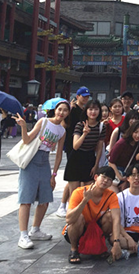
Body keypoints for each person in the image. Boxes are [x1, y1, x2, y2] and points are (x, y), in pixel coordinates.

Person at [14, 100, 69, 250]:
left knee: (45, 198)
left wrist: (54, 174)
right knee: (26, 199)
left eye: (65, 110)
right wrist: (23, 127)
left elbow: (59, 154)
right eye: (59, 109)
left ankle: (35, 229)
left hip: (45, 162)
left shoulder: (62, 131)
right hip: (31, 160)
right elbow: (26, 140)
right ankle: (23, 235)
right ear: (55, 110)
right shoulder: (43, 121)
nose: (61, 113)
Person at [62, 166, 123, 264]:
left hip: (95, 229)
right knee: (78, 217)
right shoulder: (79, 192)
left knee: (109, 217)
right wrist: (85, 200)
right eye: (103, 177)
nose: (105, 181)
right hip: (77, 229)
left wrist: (116, 243)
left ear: (111, 183)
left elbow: (116, 219)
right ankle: (74, 249)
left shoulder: (111, 195)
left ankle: (98, 245)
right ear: (96, 177)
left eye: (109, 179)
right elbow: (69, 219)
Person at [56, 86, 91, 217]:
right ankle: (63, 204)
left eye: (87, 96)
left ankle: (70, 204)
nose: (85, 98)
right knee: (72, 177)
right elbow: (64, 125)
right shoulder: (72, 109)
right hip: (72, 145)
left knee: (76, 177)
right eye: (83, 96)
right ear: (77, 96)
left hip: (82, 145)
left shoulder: (85, 110)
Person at [64, 100, 106, 199]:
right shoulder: (80, 125)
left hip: (89, 158)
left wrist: (96, 165)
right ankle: (70, 208)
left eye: (96, 109)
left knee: (89, 192)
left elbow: (99, 147)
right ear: (86, 111)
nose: (93, 112)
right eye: (90, 109)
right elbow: (75, 146)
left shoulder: (101, 127)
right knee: (74, 194)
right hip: (76, 158)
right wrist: (84, 134)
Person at [108, 121, 139, 189]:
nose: (138, 135)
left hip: (127, 172)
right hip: (116, 171)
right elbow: (111, 162)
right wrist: (120, 177)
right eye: (135, 132)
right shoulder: (122, 143)